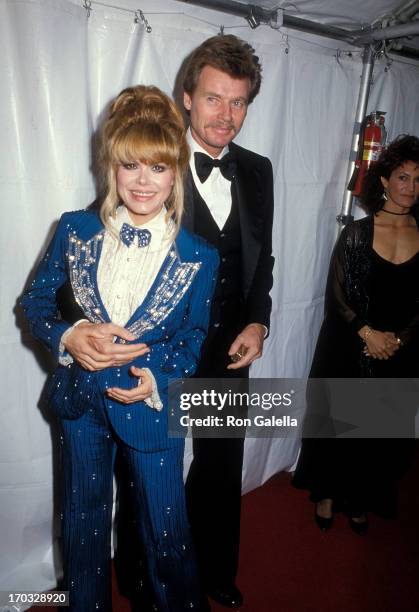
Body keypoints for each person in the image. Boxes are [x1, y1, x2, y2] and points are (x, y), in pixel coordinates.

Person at [21, 85, 218, 612]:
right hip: (80, 404)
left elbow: (194, 335)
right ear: (111, 167)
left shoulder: (199, 255)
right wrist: (67, 334)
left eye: (157, 167)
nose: (143, 181)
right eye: (130, 165)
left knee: (167, 534)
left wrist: (159, 375)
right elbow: (36, 304)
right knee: (82, 527)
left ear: (175, 172)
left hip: (152, 410)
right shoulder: (74, 229)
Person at [181, 35, 274, 608]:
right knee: (150, 469)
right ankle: (148, 574)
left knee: (220, 462)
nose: (227, 116)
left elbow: (262, 259)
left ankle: (215, 569)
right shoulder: (151, 158)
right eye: (215, 99)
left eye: (238, 103)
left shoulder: (259, 170)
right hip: (162, 347)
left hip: (229, 349)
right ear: (187, 97)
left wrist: (258, 323)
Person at [293, 134, 419, 535]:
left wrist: (399, 339)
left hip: (400, 350)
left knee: (378, 432)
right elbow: (336, 295)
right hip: (349, 344)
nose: (410, 187)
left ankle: (361, 498)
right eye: (402, 177)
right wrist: (367, 333)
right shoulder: (357, 233)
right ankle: (328, 495)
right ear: (383, 181)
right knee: (338, 425)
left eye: (418, 180)